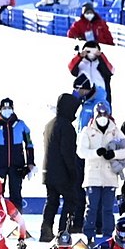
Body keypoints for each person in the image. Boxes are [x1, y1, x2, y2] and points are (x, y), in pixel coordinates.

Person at [77, 101, 125, 244]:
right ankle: (88, 235)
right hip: (93, 176)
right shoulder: (87, 130)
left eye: (104, 114)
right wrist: (96, 152)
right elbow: (81, 152)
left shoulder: (115, 130)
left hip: (109, 176)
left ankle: (108, 235)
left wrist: (113, 154)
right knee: (92, 207)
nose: (102, 117)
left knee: (108, 208)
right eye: (99, 115)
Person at [40, 93, 83, 241]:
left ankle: (45, 230)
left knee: (52, 201)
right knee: (71, 200)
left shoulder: (49, 124)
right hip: (62, 173)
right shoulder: (67, 127)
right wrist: (73, 172)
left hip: (48, 172)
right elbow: (67, 152)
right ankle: (63, 233)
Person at [0, 97, 34, 211]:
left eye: (9, 108)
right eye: (4, 108)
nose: (7, 110)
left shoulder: (20, 125)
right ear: (0, 109)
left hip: (16, 166)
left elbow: (29, 143)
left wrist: (30, 162)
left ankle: (17, 223)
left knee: (16, 194)